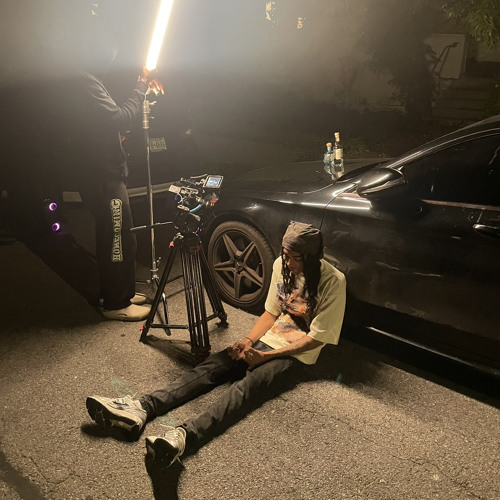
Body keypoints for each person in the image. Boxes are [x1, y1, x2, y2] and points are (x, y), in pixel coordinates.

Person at [86, 222, 346, 466]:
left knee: (245, 390)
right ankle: (143, 406)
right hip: (267, 340)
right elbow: (271, 312)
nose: (287, 263)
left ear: (311, 257)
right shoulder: (282, 265)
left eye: (294, 258)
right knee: (212, 367)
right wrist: (247, 341)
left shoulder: (333, 281)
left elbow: (315, 338)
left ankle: (184, 436)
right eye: (285, 255)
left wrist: (267, 357)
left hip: (295, 355)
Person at [69, 7, 164, 321]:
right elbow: (118, 117)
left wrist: (140, 88)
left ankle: (120, 290)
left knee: (122, 234)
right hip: (102, 175)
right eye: (109, 52)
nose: (112, 57)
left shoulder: (90, 79)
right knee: (116, 238)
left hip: (106, 171)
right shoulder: (84, 82)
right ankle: (115, 304)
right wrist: (141, 86)